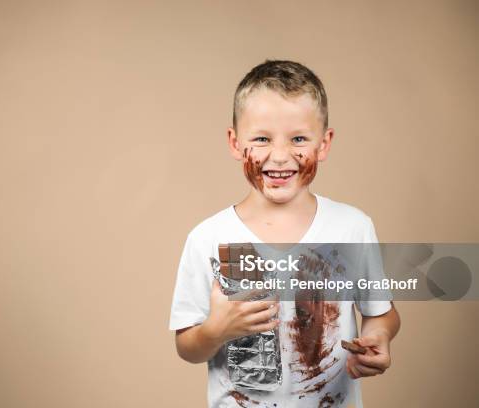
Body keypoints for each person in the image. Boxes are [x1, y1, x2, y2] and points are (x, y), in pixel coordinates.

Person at [168, 60, 401, 407]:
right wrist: (217, 330)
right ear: (235, 143)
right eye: (261, 138)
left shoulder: (352, 227)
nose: (279, 156)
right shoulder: (207, 238)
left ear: (324, 144)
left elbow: (381, 311)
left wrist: (377, 336)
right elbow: (187, 346)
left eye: (299, 139)